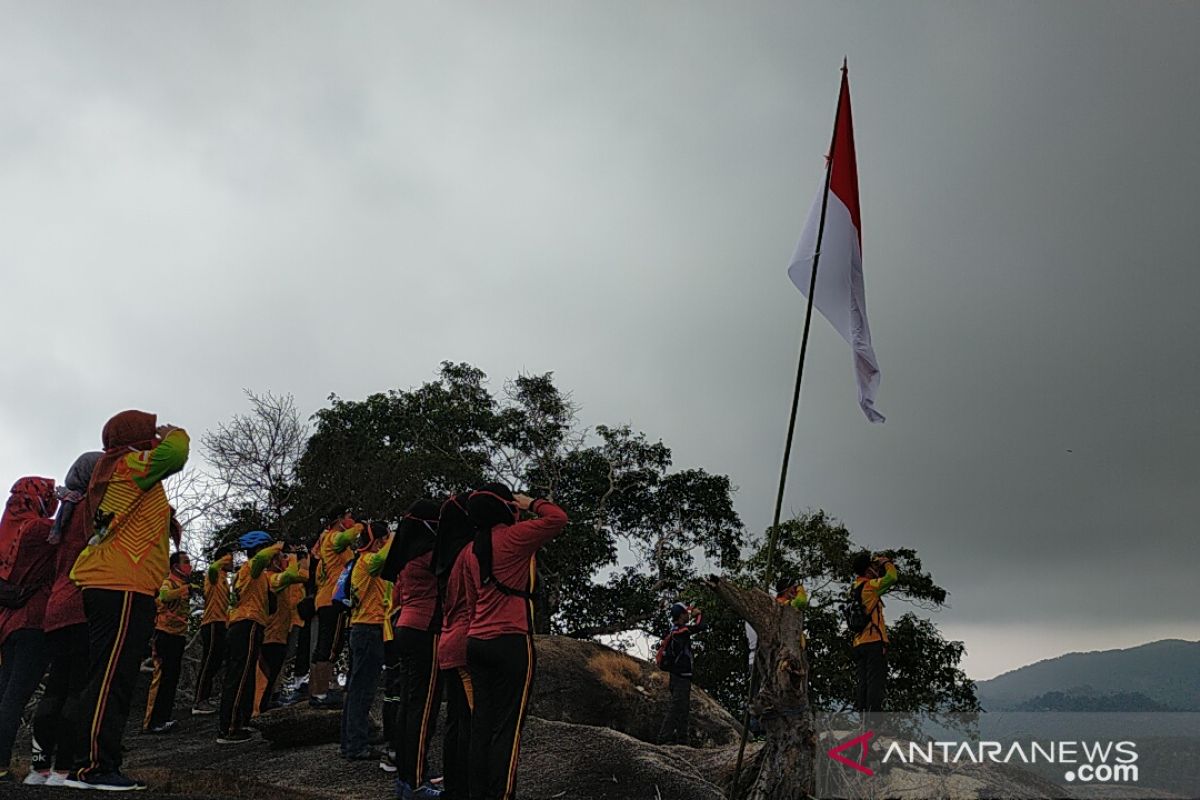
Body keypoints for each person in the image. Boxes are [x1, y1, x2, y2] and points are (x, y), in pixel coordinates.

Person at [68, 411, 189, 791]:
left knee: (109, 676)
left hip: (121, 585)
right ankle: (93, 767)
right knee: (111, 678)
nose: (157, 435)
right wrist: (174, 433)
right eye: (150, 431)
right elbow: (175, 454)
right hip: (120, 584)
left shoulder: (120, 471)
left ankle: (93, 762)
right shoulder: (126, 464)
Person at [466, 484, 568, 800]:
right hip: (510, 640)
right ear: (505, 508)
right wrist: (531, 502)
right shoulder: (515, 537)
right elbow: (558, 519)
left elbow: (471, 602)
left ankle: (477, 793)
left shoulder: (471, 551)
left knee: (481, 724)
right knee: (507, 727)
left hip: (476, 642)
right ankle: (502, 794)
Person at [30, 453, 102, 786]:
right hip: (81, 606)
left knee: (54, 689)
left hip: (54, 611)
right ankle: (65, 768)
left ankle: (38, 767)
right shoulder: (89, 509)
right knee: (78, 689)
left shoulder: (65, 509)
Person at [381, 500, 443, 798]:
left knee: (408, 703)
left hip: (404, 627)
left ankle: (407, 774)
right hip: (426, 631)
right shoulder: (431, 554)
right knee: (424, 707)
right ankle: (417, 781)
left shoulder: (405, 556)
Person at [0, 477, 58, 784]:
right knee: (14, 699)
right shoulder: (38, 529)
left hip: (9, 626)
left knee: (4, 695)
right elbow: (74, 534)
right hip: (34, 623)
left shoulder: (8, 528)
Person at [217, 530, 286, 744]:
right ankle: (229, 728)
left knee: (246, 676)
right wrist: (278, 546)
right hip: (246, 624)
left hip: (249, 624)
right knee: (240, 675)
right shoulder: (250, 569)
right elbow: (259, 561)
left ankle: (241, 720)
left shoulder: (255, 574)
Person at [433, 493, 477, 800]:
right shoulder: (469, 553)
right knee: (472, 721)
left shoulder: (442, 556)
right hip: (465, 644)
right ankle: (468, 787)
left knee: (455, 720)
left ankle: (453, 786)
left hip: (446, 643)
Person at [340, 521, 393, 760]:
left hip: (363, 629)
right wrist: (396, 539)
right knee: (362, 689)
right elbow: (381, 559)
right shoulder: (367, 562)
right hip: (368, 629)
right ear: (380, 540)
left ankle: (352, 739)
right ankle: (356, 745)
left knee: (357, 688)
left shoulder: (362, 563)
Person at [309, 510, 362, 708]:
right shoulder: (332, 538)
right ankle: (321, 694)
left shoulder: (324, 545)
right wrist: (360, 527)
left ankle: (317, 692)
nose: (352, 521)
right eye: (349, 517)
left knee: (324, 646)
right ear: (340, 520)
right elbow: (345, 539)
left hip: (325, 599)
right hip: (334, 599)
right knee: (330, 648)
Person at [142, 551, 193, 733]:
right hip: (164, 634)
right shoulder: (168, 582)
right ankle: (152, 722)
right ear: (175, 566)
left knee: (171, 679)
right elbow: (164, 596)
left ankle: (164, 718)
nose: (189, 565)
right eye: (185, 562)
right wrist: (182, 591)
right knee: (161, 678)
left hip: (178, 635)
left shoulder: (183, 584)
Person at [256, 549, 309, 714]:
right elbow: (292, 573)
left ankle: (267, 702)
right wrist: (293, 558)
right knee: (267, 672)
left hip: (280, 632)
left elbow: (303, 576)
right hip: (270, 634)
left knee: (275, 669)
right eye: (282, 558)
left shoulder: (282, 577)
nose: (285, 560)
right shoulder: (271, 578)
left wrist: (304, 559)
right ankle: (259, 706)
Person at [851, 551, 898, 714]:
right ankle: (874, 721)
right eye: (873, 566)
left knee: (863, 682)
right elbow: (892, 577)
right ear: (867, 569)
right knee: (875, 683)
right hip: (873, 640)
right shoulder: (870, 587)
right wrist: (886, 563)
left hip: (859, 642)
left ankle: (863, 717)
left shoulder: (856, 587)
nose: (876, 569)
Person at [656, 601, 708, 745]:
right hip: (680, 677)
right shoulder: (681, 632)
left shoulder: (675, 630)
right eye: (685, 613)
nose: (688, 615)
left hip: (677, 676)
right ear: (681, 615)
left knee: (683, 710)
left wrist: (691, 609)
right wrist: (699, 614)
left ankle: (682, 741)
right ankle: (663, 739)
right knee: (676, 708)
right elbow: (701, 626)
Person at [193, 548, 234, 715]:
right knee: (209, 662)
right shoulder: (214, 574)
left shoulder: (224, 578)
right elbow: (212, 568)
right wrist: (226, 557)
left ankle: (206, 698)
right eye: (230, 560)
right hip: (211, 623)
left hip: (222, 623)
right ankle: (199, 701)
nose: (232, 563)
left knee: (216, 661)